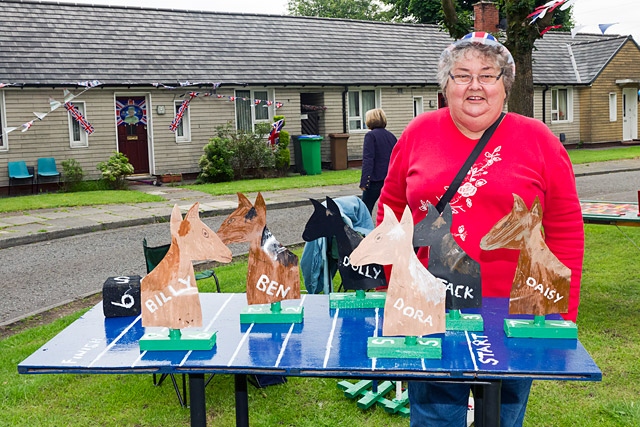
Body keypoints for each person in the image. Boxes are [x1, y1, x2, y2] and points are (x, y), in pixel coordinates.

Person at [377, 32, 584, 427]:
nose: (475, 86)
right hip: (431, 309)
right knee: (435, 416)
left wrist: (561, 312)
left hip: (514, 313)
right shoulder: (417, 133)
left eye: (488, 75)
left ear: (505, 85)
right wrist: (397, 286)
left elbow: (565, 228)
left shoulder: (540, 140)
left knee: (503, 419)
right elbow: (391, 213)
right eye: (462, 75)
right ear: (446, 85)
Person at [359, 108, 397, 214]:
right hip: (390, 178)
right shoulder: (391, 136)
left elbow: (368, 159)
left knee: (365, 209)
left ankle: (365, 229)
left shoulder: (370, 136)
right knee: (389, 208)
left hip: (375, 179)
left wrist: (365, 181)